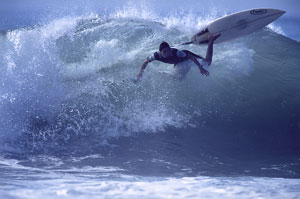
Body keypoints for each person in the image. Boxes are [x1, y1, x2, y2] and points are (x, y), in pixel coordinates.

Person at [135, 34, 220, 82]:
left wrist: (200, 68)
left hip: (187, 58)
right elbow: (145, 61)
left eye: (168, 51)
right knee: (179, 79)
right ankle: (161, 73)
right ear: (160, 52)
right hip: (179, 63)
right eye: (165, 52)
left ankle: (211, 39)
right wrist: (140, 73)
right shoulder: (156, 55)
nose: (167, 53)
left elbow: (191, 57)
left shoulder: (177, 52)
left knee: (207, 62)